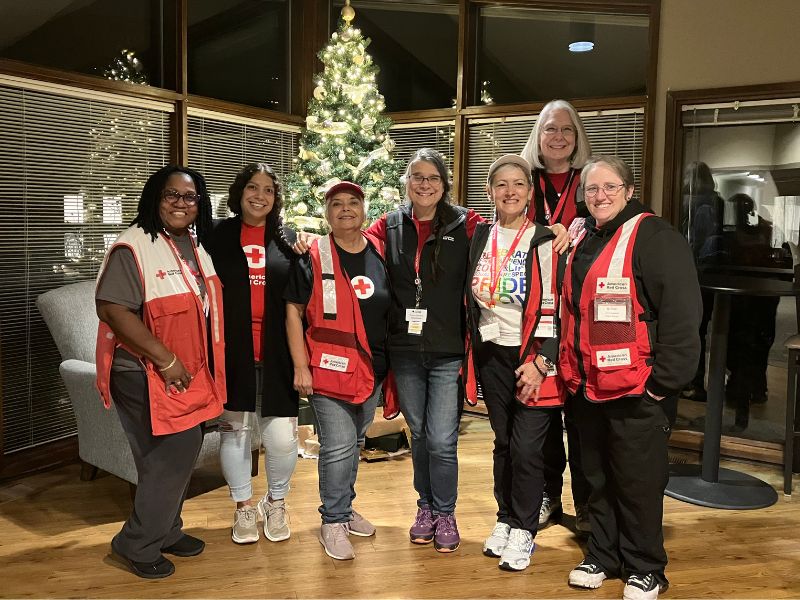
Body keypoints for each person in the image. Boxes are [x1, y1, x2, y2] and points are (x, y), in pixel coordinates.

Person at [559, 156, 701, 600]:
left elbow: (682, 316)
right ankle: (603, 553)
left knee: (637, 481)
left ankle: (645, 567)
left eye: (610, 187)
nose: (599, 196)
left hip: (639, 388)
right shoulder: (583, 234)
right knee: (596, 476)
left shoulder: (655, 237)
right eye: (591, 189)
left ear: (629, 188)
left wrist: (664, 383)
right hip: (586, 385)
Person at [95, 165, 226, 579]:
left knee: (178, 454)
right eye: (172, 195)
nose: (181, 204)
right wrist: (165, 359)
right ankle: (135, 542)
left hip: (182, 372)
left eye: (190, 198)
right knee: (170, 456)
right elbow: (112, 308)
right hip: (144, 370)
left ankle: (166, 531)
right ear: (155, 198)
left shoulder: (190, 242)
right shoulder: (133, 246)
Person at [365, 148, 484, 553]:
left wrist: (553, 233)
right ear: (407, 182)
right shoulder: (390, 224)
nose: (425, 184)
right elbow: (349, 244)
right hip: (406, 349)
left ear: (445, 183)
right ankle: (426, 507)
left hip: (448, 349)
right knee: (419, 434)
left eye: (433, 177)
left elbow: (509, 231)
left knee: (442, 439)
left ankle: (446, 511)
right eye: (417, 176)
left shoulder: (466, 224)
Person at [465, 155, 566, 572]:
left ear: (529, 192)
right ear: (490, 192)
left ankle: (525, 528)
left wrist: (543, 360)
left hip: (532, 355)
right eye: (501, 184)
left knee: (527, 447)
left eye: (519, 184)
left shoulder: (547, 239)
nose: (510, 192)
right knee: (504, 442)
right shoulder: (480, 234)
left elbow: (564, 307)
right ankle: (505, 518)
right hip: (491, 353)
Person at [285, 181, 391, 561]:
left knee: (356, 443)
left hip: (372, 370)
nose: (346, 209)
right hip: (328, 371)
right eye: (337, 204)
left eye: (353, 203)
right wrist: (300, 366)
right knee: (339, 446)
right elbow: (294, 312)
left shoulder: (380, 251)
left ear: (364, 210)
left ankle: (344, 510)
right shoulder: (311, 255)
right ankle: (332, 520)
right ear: (327, 213)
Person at [204, 163, 299, 545]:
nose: (260, 196)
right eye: (252, 188)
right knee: (236, 432)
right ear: (240, 192)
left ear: (275, 199)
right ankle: (243, 507)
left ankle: (276, 503)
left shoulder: (286, 238)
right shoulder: (216, 236)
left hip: (278, 352)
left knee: (281, 439)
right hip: (231, 351)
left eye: (268, 191)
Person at [520, 99, 592, 533]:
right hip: (537, 310)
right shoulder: (525, 180)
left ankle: (588, 506)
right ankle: (549, 495)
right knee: (542, 416)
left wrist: (577, 229)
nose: (559, 136)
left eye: (567, 129)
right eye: (550, 129)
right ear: (538, 135)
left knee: (582, 419)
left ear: (577, 136)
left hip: (580, 310)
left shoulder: (590, 181)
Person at [679, 161, 725, 402]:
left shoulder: (691, 203)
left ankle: (691, 382)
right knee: (699, 331)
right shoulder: (712, 202)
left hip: (693, 275)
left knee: (691, 331)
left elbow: (696, 242)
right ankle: (693, 382)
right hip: (704, 274)